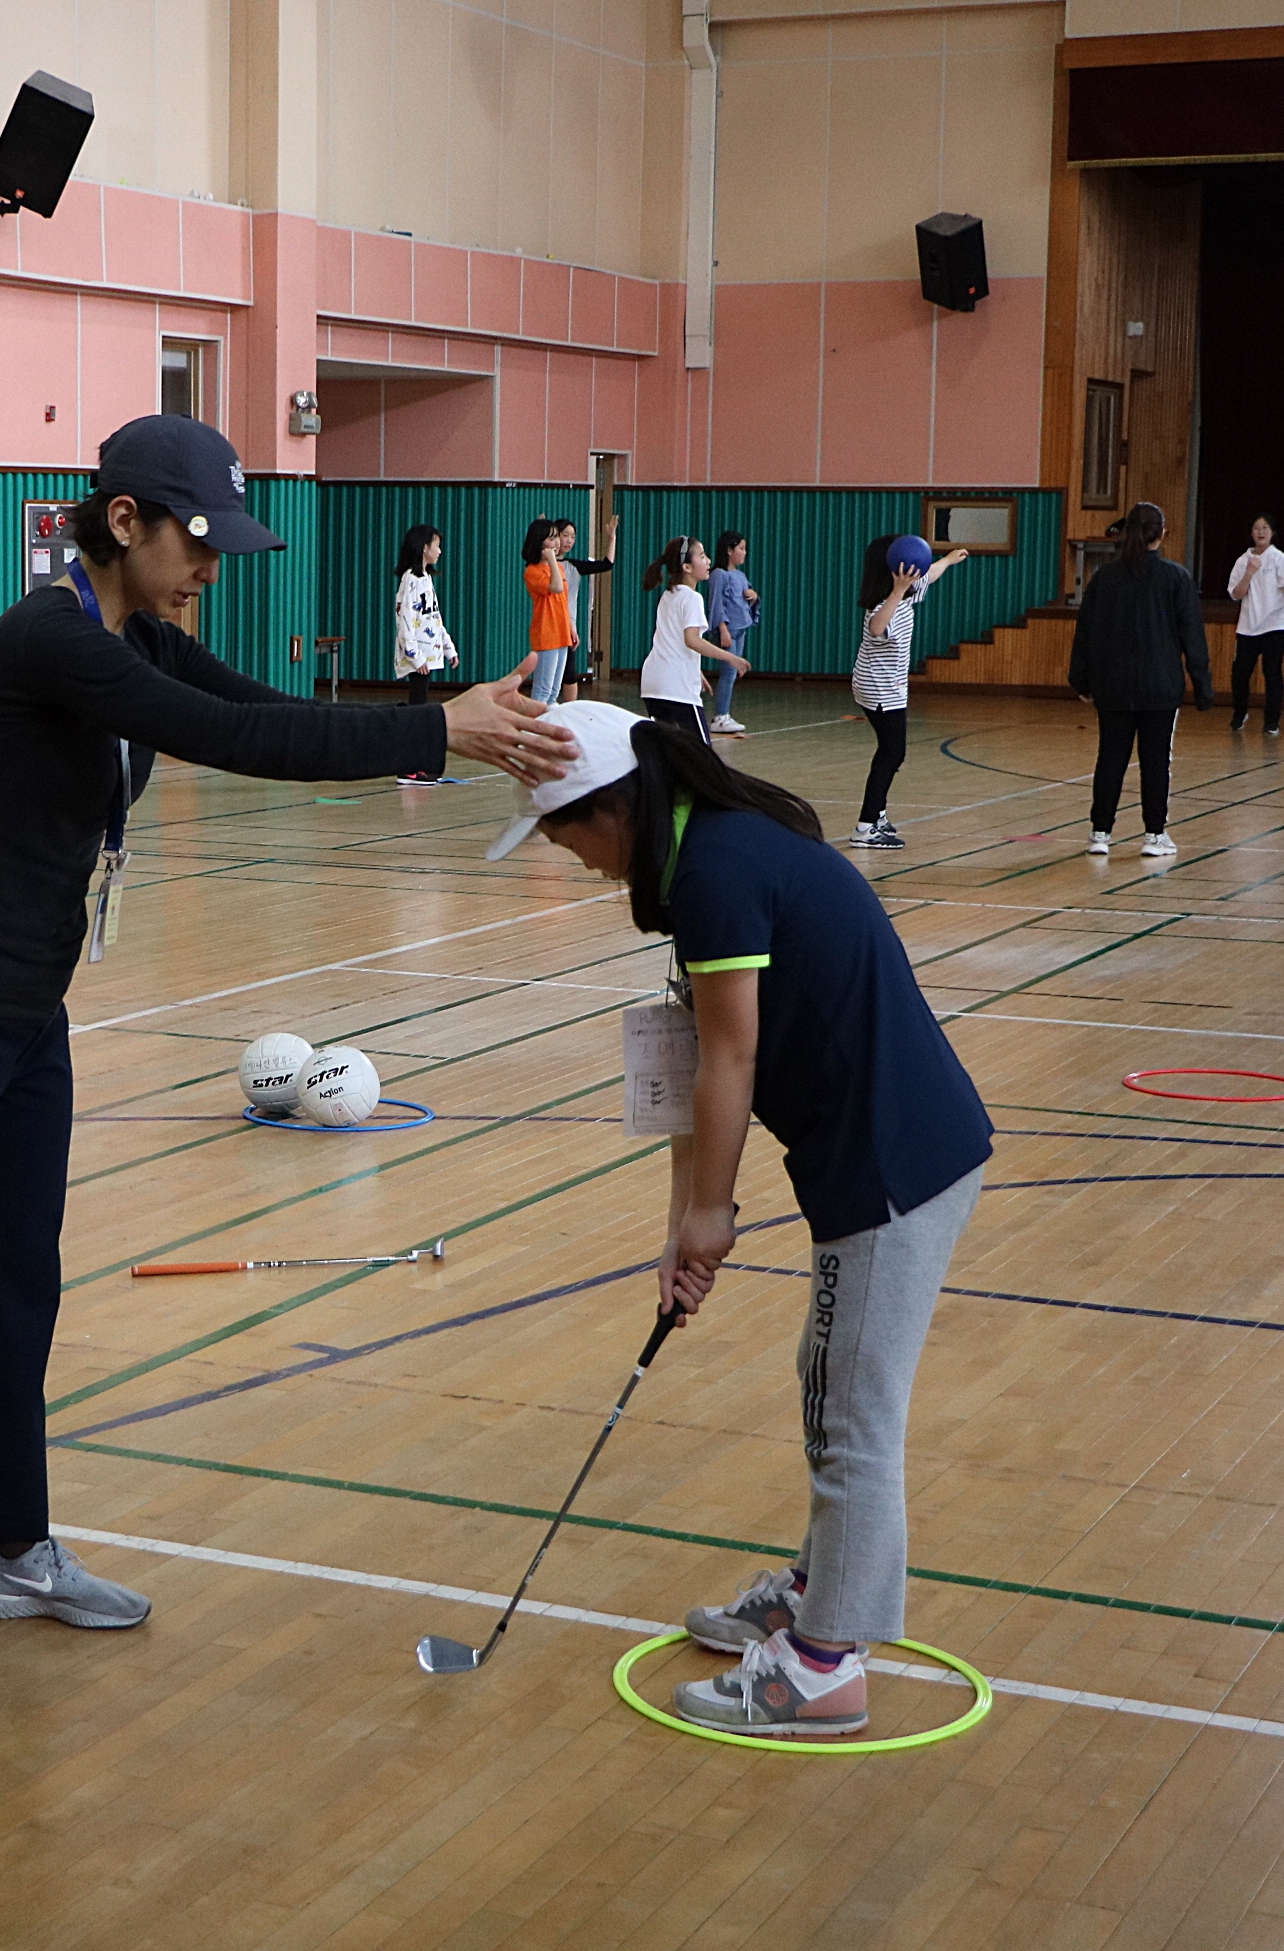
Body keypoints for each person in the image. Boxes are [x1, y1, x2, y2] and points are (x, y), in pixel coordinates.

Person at [0, 416, 577, 1682]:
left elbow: (268, 708)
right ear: (125, 520)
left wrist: (439, 717)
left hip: (25, 1015)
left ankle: (9, 1548)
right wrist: (437, 732)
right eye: (198, 540)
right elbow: (243, 744)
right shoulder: (52, 640)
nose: (211, 566)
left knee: (13, 1283)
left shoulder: (137, 635)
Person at [485, 703, 992, 1738]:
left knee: (851, 1414)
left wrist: (714, 1215)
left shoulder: (716, 872)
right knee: (828, 1376)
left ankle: (824, 1666)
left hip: (891, 1162)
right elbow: (686, 1057)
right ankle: (819, 1588)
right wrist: (682, 1219)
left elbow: (732, 1057)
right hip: (885, 1152)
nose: (573, 860)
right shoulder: (709, 856)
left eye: (565, 837)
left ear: (610, 810)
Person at [1067, 501, 1210, 859]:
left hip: (1113, 685)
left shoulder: (1105, 578)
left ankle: (1100, 833)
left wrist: (1082, 680)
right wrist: (1202, 686)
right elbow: (1192, 635)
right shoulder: (1176, 577)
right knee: (1156, 760)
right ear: (1162, 534)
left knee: (1110, 758)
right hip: (1160, 686)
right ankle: (1154, 835)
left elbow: (1085, 632)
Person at [849, 533, 967, 848]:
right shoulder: (885, 605)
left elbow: (931, 574)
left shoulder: (904, 597)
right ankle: (865, 828)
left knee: (890, 752)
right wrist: (898, 591)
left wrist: (948, 560)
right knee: (892, 753)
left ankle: (877, 814)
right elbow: (877, 627)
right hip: (880, 689)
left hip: (882, 685)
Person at [639, 536, 749, 744]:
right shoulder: (692, 598)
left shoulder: (668, 595)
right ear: (687, 567)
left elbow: (672, 641)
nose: (708, 561)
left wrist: (696, 672)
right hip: (676, 688)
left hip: (652, 685)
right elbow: (692, 640)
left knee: (668, 752)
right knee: (701, 753)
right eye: (702, 556)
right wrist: (731, 658)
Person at [521, 519, 616, 705]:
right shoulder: (533, 571)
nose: (558, 543)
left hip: (562, 632)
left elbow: (564, 602)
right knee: (543, 689)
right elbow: (556, 588)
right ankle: (534, 721)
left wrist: (570, 627)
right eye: (553, 538)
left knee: (554, 691)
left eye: (557, 537)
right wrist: (551, 560)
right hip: (547, 633)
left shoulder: (561, 568)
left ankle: (553, 718)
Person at [391, 522, 457, 782]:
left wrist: (448, 648)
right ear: (423, 548)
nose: (440, 551)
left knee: (419, 708)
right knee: (417, 711)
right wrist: (415, 657)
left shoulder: (425, 579)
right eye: (436, 546)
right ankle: (408, 766)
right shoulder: (410, 580)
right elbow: (405, 622)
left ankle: (414, 763)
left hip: (429, 656)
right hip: (418, 659)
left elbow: (434, 618)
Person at [1225, 515, 1284, 735]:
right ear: (1251, 533)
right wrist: (1249, 573)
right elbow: (1236, 594)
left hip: (1275, 624)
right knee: (1240, 673)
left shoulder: (1280, 559)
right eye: (1256, 528)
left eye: (1265, 528)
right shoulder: (1243, 561)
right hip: (1248, 626)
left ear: (1272, 532)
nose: (1261, 532)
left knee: (1272, 671)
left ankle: (1272, 721)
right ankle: (1240, 713)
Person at [706, 531, 760, 734]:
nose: (744, 553)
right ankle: (721, 715)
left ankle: (725, 713)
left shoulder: (740, 575)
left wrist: (754, 597)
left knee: (733, 673)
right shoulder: (719, 575)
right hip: (728, 631)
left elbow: (745, 599)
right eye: (741, 549)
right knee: (728, 673)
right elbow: (716, 604)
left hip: (740, 629)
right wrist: (723, 629)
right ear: (729, 550)